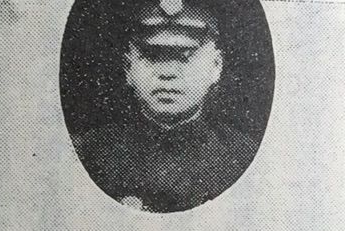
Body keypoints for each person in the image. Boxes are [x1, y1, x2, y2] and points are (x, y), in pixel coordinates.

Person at [72, 0, 256, 213]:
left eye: (185, 56)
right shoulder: (89, 154)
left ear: (216, 67)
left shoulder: (241, 158)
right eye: (152, 55)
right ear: (128, 68)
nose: (167, 73)